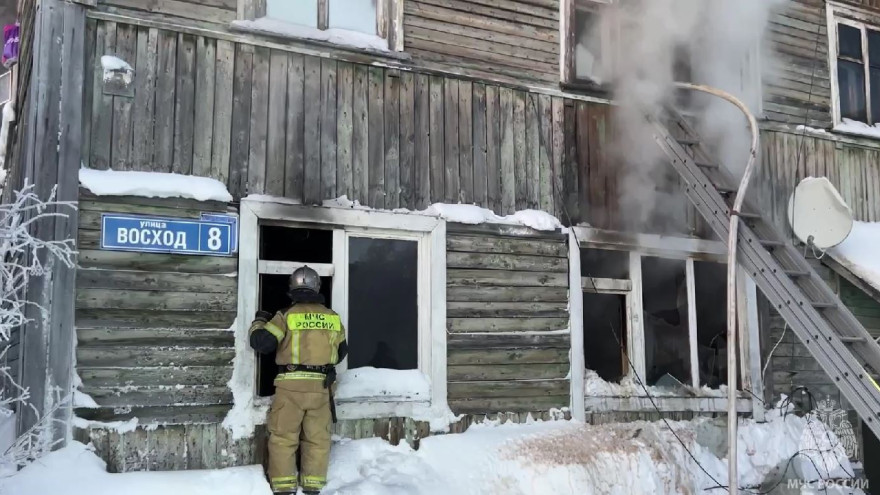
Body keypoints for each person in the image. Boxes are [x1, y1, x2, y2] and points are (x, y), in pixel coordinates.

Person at [249, 266, 348, 495]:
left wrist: (259, 321)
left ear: (292, 288)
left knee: (283, 437)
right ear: (317, 287)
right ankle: (313, 487)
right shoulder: (332, 318)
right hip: (321, 388)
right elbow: (342, 352)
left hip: (290, 387)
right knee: (317, 439)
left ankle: (284, 488)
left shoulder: (285, 315)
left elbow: (261, 343)